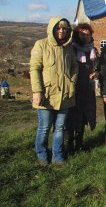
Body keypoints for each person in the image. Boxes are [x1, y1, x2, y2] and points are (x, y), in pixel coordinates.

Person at [30, 17, 78, 166]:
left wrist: (72, 82)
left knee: (60, 128)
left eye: (64, 28)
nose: (61, 31)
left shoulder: (69, 47)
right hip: (47, 95)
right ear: (52, 29)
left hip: (65, 95)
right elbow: (34, 68)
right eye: (58, 28)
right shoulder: (41, 45)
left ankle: (58, 156)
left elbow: (75, 67)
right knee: (44, 127)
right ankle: (42, 155)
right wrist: (37, 91)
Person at [65, 23, 99, 154]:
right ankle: (68, 146)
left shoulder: (92, 51)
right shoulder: (71, 49)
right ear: (77, 34)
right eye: (82, 34)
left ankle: (79, 144)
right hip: (73, 89)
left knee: (84, 117)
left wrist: (96, 73)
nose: (85, 37)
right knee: (70, 118)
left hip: (87, 90)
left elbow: (97, 67)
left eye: (87, 34)